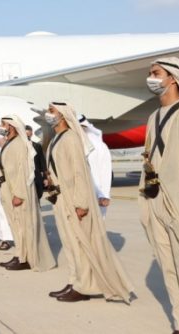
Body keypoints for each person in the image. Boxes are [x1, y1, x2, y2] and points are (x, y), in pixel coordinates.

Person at [44, 101, 133, 303]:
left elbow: (80, 173)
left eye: (51, 111)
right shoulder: (57, 138)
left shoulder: (71, 138)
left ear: (63, 114)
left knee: (79, 244)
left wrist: (81, 203)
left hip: (73, 200)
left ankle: (83, 287)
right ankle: (74, 281)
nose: (48, 114)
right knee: (70, 244)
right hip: (60, 198)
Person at [140, 57, 179, 333]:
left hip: (178, 202)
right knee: (168, 266)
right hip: (156, 200)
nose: (151, 78)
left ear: (173, 78)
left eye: (156, 73)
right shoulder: (153, 117)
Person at [0, 115, 56, 272]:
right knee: (16, 225)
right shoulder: (10, 143)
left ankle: (26, 259)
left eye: (3, 124)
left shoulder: (20, 144)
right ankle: (20, 254)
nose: (0, 126)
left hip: (18, 192)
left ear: (11, 126)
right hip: (9, 189)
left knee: (23, 226)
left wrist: (19, 194)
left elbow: (24, 171)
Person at [78, 115, 113, 218]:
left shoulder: (99, 146)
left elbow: (105, 172)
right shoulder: (75, 144)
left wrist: (103, 194)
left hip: (95, 196)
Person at [25, 125, 47, 199]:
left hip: (37, 177)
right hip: (25, 177)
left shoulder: (37, 146)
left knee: (38, 196)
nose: (27, 136)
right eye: (25, 134)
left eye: (28, 134)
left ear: (31, 133)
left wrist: (45, 177)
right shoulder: (19, 147)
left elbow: (42, 162)